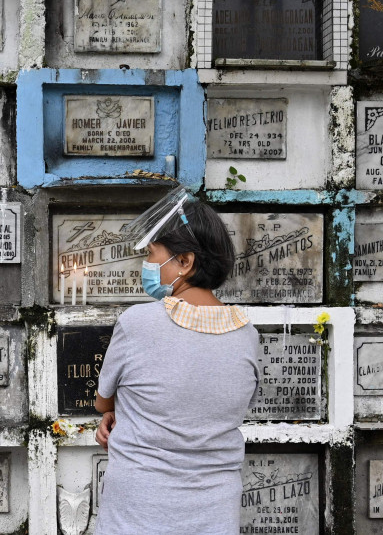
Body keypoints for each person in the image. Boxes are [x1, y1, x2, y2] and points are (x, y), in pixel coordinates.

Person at [93, 191, 260, 534]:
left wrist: (114, 412)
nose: (148, 266)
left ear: (184, 262)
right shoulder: (248, 335)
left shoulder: (137, 323)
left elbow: (102, 402)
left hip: (139, 510)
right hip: (214, 512)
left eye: (153, 255)